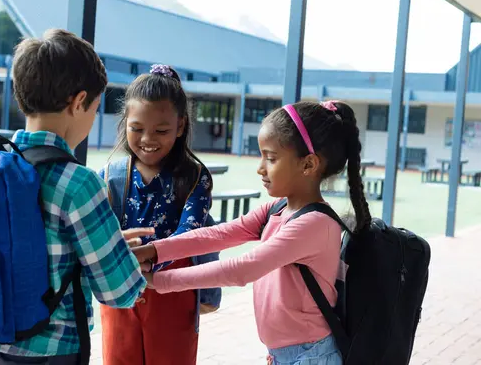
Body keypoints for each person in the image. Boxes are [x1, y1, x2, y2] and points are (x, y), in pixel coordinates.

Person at [133, 100, 372, 364]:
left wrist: (158, 281)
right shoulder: (278, 208)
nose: (260, 168)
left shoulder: (314, 223)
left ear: (308, 165)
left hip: (311, 356)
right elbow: (218, 234)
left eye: (271, 158)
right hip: (287, 355)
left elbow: (242, 269)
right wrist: (155, 250)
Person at [0, 29, 151, 364]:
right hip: (51, 354)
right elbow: (119, 291)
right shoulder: (78, 184)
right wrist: (119, 256)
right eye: (95, 108)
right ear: (79, 101)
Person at [98, 64, 215, 365]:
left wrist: (144, 265)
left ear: (180, 126)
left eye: (161, 130)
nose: (148, 139)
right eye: (137, 129)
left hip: (173, 290)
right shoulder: (110, 175)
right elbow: (100, 237)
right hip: (122, 291)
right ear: (125, 123)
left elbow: (189, 237)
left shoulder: (194, 177)